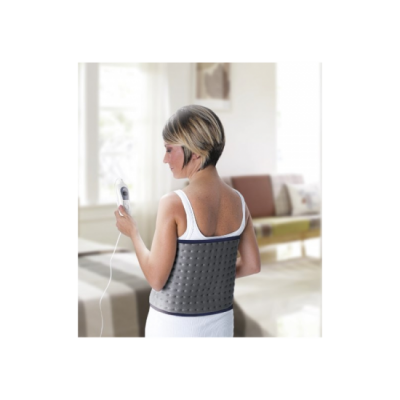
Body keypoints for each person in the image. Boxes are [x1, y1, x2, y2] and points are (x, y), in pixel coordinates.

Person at [115, 105, 261, 339]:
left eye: (169, 149)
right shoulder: (239, 202)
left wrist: (133, 232)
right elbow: (252, 265)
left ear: (195, 152)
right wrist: (210, 276)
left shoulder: (174, 203)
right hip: (221, 325)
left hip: (173, 327)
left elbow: (156, 279)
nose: (165, 159)